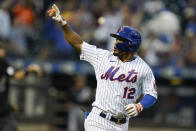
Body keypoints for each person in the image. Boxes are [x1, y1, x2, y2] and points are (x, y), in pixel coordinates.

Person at [48, 4, 158, 131]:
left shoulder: (143, 68)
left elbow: (152, 94)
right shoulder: (103, 57)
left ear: (131, 45)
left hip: (122, 125)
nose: (115, 43)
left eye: (120, 40)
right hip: (98, 120)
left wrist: (139, 106)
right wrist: (64, 24)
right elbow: (78, 43)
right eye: (116, 39)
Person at [0, 46, 41, 131]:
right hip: (3, 111)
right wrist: (29, 70)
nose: (3, 51)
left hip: (3, 110)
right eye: (1, 49)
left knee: (11, 125)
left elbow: (15, 75)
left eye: (3, 49)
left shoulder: (3, 64)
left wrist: (28, 71)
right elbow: (15, 76)